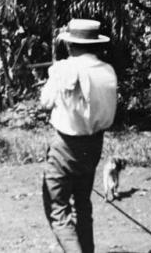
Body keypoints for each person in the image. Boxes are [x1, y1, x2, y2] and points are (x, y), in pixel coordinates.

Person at [40, 19, 117, 253]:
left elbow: (45, 103)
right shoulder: (107, 71)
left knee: (57, 209)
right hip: (94, 145)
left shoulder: (64, 69)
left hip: (66, 144)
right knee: (82, 204)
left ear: (71, 44)